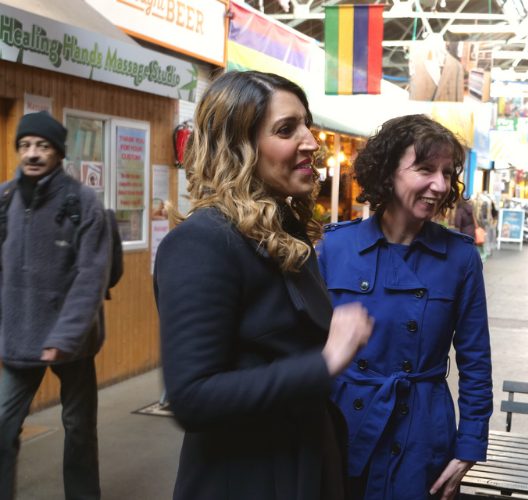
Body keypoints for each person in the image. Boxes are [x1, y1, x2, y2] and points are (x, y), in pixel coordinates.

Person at [153, 71, 373, 500]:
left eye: (307, 124)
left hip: (305, 463)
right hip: (246, 480)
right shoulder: (202, 242)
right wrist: (324, 362)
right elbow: (192, 397)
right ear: (238, 146)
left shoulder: (282, 232)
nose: (311, 141)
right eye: (287, 129)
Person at [317, 114, 493, 500]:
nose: (440, 185)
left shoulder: (460, 258)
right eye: (425, 169)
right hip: (343, 423)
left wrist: (469, 448)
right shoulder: (335, 248)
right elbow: (305, 347)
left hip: (422, 432)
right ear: (387, 171)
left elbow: (476, 361)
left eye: (447, 173)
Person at [0, 111, 111, 499]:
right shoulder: (5, 198)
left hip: (72, 342)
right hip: (20, 334)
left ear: (59, 153)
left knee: (78, 427)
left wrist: (65, 336)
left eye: (42, 146)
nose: (32, 154)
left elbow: (91, 275)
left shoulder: (83, 201)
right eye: (26, 145)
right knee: (2, 423)